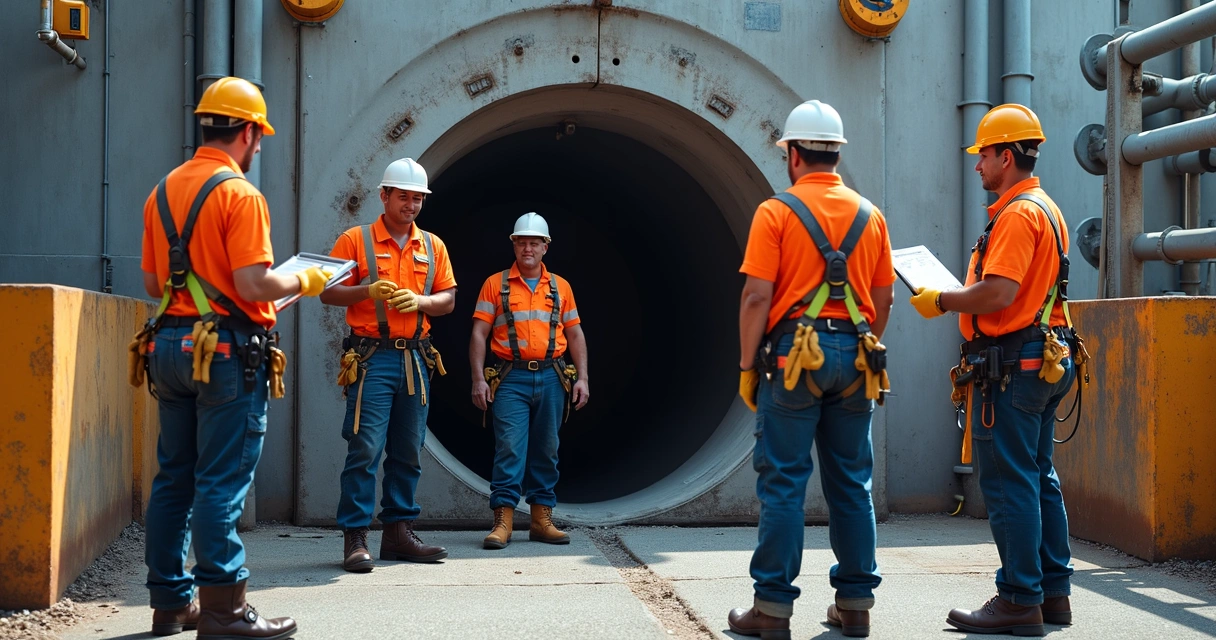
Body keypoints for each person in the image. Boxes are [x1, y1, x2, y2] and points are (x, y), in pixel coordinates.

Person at [137, 76, 317, 639]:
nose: (258, 147)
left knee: (175, 477)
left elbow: (152, 281)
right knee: (221, 480)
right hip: (224, 355)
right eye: (258, 136)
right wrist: (305, 278)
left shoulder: (162, 191)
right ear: (245, 131)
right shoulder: (239, 194)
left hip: (169, 346)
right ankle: (225, 610)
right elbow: (255, 282)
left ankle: (171, 603)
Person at [910, 103, 1079, 636]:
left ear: (1006, 156)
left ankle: (1018, 599)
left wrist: (943, 300)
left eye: (983, 156)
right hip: (1043, 362)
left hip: (1013, 369)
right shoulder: (1047, 209)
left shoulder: (1016, 215)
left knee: (1008, 483)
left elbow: (1000, 292)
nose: (977, 166)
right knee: (1037, 477)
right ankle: (1052, 594)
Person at [729, 99, 895, 639]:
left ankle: (772, 610)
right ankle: (855, 604)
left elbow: (757, 297)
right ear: (835, 154)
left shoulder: (775, 212)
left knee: (783, 484)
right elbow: (884, 297)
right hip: (857, 355)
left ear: (794, 155)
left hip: (795, 358)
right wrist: (857, 343)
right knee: (852, 483)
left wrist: (746, 365)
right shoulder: (871, 216)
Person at [320, 158, 457, 572]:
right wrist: (366, 290)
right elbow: (327, 292)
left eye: (417, 198)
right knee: (364, 446)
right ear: (384, 196)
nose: (411, 205)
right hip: (372, 357)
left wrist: (420, 302)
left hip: (415, 357)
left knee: (408, 450)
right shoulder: (354, 241)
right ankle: (356, 537)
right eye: (404, 197)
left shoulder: (433, 246)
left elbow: (447, 299)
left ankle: (398, 533)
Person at [469, 212, 589, 550]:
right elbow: (479, 333)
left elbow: (575, 334)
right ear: (514, 244)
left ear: (545, 247)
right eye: (521, 242)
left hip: (552, 376)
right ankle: (503, 521)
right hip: (510, 377)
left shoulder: (560, 287)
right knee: (509, 447)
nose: (527, 248)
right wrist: (478, 378)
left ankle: (540, 519)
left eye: (534, 242)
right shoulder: (496, 284)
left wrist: (583, 379)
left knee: (547, 448)